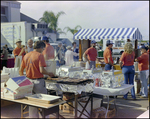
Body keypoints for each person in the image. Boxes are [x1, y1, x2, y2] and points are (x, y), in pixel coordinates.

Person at [19, 41, 54, 118]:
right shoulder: (40, 55)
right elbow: (42, 71)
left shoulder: (26, 55)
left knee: (32, 103)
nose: (43, 50)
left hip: (29, 81)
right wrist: (49, 73)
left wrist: (25, 81)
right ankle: (44, 117)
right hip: (39, 82)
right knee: (43, 102)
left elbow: (20, 71)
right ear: (41, 47)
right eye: (43, 49)